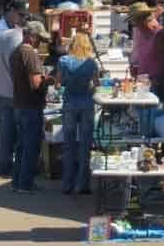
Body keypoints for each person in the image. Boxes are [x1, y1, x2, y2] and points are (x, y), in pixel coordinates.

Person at [9, 21, 53, 195]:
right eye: (38, 38)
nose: (39, 42)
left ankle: (17, 181)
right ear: (31, 36)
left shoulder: (16, 52)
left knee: (21, 146)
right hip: (30, 106)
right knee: (31, 146)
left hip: (19, 104)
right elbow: (35, 84)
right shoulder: (29, 54)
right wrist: (48, 80)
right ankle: (25, 183)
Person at [0, 0, 27, 177]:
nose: (22, 19)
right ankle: (3, 164)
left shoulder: (9, 30)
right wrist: (8, 78)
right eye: (21, 14)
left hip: (2, 84)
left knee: (5, 127)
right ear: (11, 11)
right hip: (1, 84)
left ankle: (2, 162)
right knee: (6, 127)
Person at [57, 31, 99, 194]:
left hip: (70, 103)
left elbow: (58, 84)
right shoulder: (91, 62)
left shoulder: (64, 60)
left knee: (69, 144)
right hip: (87, 103)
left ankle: (67, 183)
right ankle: (83, 184)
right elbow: (96, 84)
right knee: (85, 144)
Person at [128, 1, 164, 101]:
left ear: (144, 20)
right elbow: (138, 54)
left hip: (156, 84)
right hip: (142, 82)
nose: (134, 25)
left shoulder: (161, 34)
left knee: (154, 113)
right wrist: (133, 65)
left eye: (135, 22)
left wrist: (158, 81)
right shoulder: (140, 32)